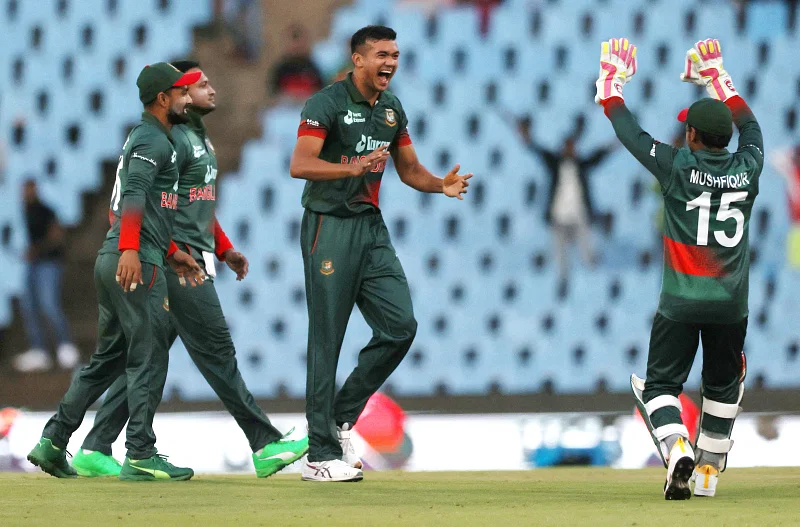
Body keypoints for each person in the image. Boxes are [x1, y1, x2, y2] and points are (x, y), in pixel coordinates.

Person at [70, 61, 309, 479]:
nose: (209, 90)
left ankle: (94, 445)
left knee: (145, 356)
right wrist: (173, 251)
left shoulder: (197, 137)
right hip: (177, 262)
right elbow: (143, 202)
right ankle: (266, 444)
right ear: (175, 95)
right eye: (198, 86)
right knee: (217, 352)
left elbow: (194, 203)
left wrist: (225, 247)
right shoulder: (172, 138)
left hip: (195, 255)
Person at [290, 25, 472, 482]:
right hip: (329, 227)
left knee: (400, 327)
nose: (390, 61)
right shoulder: (325, 103)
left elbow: (409, 170)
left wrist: (439, 185)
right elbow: (300, 164)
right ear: (358, 60)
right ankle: (319, 454)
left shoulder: (391, 110)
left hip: (371, 230)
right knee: (327, 338)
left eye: (395, 53)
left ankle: (340, 415)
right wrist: (351, 166)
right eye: (381, 54)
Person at [595, 38, 762, 499]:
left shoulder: (677, 167)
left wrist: (611, 85)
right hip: (731, 303)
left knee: (661, 385)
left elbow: (629, 132)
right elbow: (751, 126)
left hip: (680, 301)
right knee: (724, 386)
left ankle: (675, 447)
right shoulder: (750, 166)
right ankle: (707, 472)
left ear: (691, 137)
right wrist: (717, 78)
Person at [27, 63, 206, 481]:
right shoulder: (151, 138)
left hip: (127, 255)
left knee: (109, 358)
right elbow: (134, 197)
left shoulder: (144, 137)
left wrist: (173, 249)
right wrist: (132, 249)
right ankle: (141, 452)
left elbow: (143, 203)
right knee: (149, 354)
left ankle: (53, 440)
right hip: (134, 259)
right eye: (180, 93)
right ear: (162, 99)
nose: (186, 99)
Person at [517, 125, 613, 297]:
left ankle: (594, 276)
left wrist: (616, 143)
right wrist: (528, 139)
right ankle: (562, 282)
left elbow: (598, 157)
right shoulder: (555, 164)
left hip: (579, 216)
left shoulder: (581, 165)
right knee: (559, 254)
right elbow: (539, 152)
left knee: (587, 251)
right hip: (559, 216)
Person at [13, 179, 80, 372]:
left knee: (49, 304)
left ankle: (66, 345)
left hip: (49, 264)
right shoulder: (25, 211)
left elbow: (57, 236)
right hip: (34, 265)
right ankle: (39, 350)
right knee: (29, 306)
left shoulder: (45, 210)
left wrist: (37, 250)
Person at [270, 24, 324, 103]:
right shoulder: (281, 68)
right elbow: (274, 93)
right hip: (285, 109)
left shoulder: (312, 67)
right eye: (294, 43)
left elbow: (320, 91)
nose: (297, 47)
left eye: (300, 43)